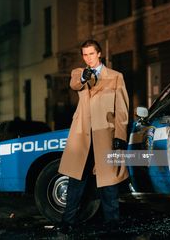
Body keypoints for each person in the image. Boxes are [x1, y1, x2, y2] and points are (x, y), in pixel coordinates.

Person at [57, 39, 129, 233]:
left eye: (91, 54)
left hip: (105, 133)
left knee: (109, 181)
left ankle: (112, 223)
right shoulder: (78, 73)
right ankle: (68, 221)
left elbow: (122, 109)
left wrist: (120, 135)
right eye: (84, 54)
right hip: (82, 134)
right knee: (75, 180)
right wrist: (83, 78)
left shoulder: (115, 76)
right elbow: (74, 85)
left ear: (99, 54)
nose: (87, 58)